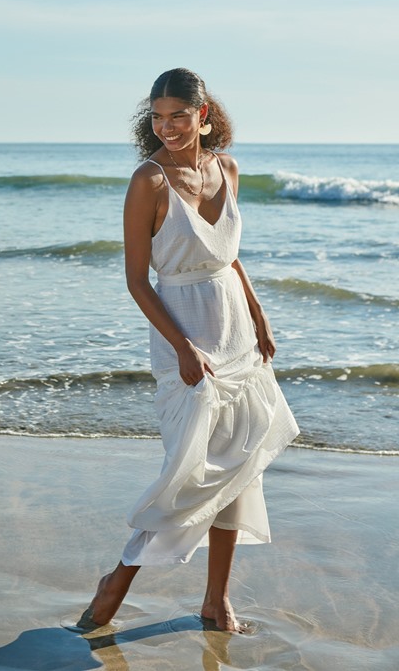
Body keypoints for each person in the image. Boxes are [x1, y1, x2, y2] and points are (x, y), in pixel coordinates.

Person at [78, 67, 299, 633]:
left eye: (178, 115)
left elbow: (227, 254)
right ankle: (119, 580)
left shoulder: (226, 168)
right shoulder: (147, 182)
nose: (167, 127)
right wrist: (182, 347)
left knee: (241, 467)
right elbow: (136, 280)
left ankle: (215, 599)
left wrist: (258, 310)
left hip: (237, 333)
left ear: (203, 115)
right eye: (157, 116)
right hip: (184, 332)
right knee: (190, 470)